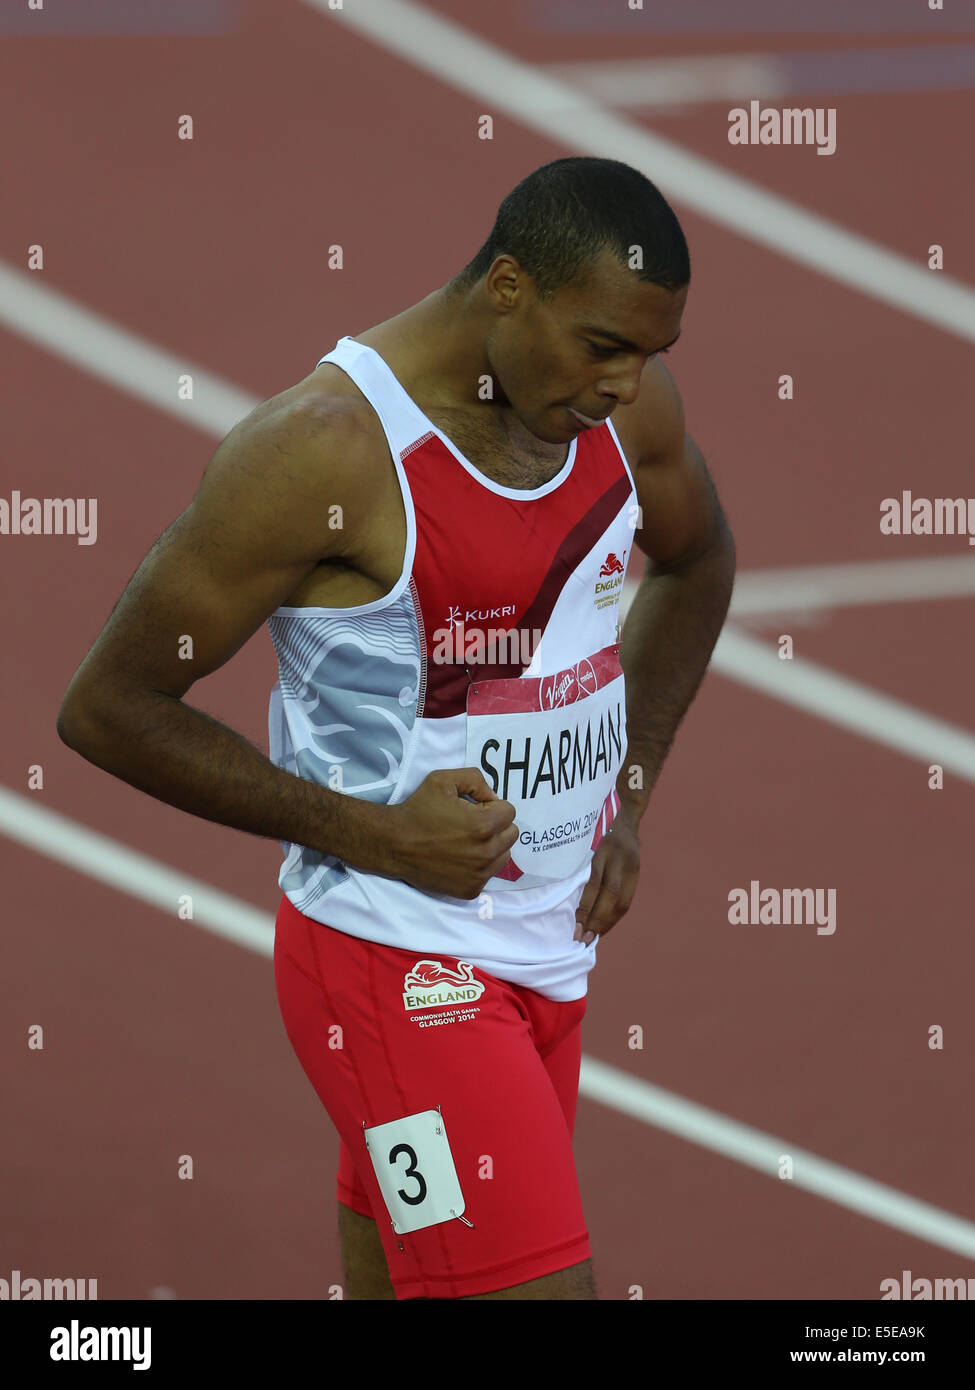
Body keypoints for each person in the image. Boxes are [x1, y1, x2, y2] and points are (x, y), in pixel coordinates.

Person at [57, 157, 735, 1300]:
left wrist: (633, 782)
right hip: (397, 963)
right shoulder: (325, 452)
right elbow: (108, 707)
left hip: (552, 951)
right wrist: (372, 832)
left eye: (651, 354)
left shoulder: (625, 419)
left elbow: (699, 557)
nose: (628, 383)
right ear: (509, 289)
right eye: (603, 346)